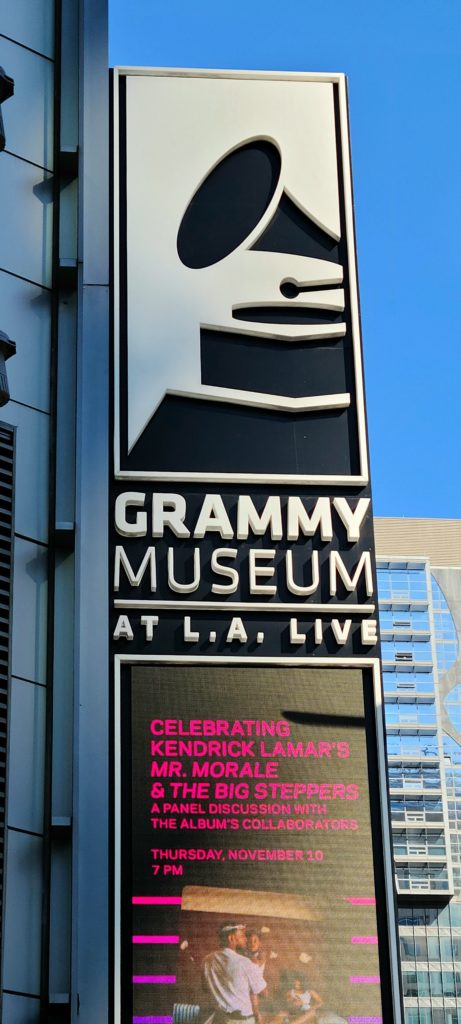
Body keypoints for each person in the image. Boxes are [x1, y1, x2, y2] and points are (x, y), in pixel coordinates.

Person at [202, 921, 267, 1024]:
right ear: (231, 938)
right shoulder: (245, 963)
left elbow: (205, 988)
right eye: (242, 936)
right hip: (241, 1021)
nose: (245, 939)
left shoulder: (207, 960)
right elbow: (263, 993)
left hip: (219, 1019)